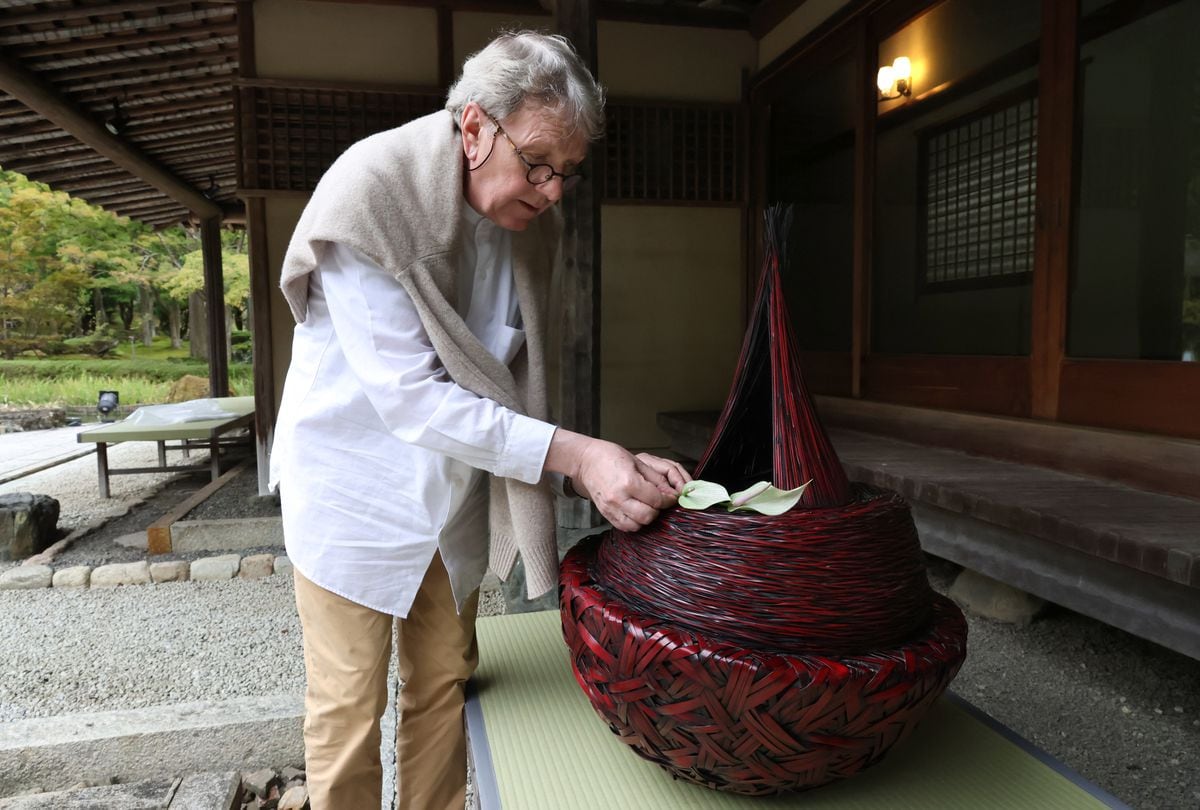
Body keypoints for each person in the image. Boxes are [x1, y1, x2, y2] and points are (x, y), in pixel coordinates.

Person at [269, 31, 691, 810]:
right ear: (473, 128)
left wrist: (608, 464)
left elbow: (512, 379)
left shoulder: (531, 229)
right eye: (538, 162)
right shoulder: (373, 192)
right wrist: (578, 455)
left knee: (442, 684)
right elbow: (412, 396)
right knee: (348, 710)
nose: (553, 189)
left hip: (452, 489)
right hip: (352, 488)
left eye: (567, 172)